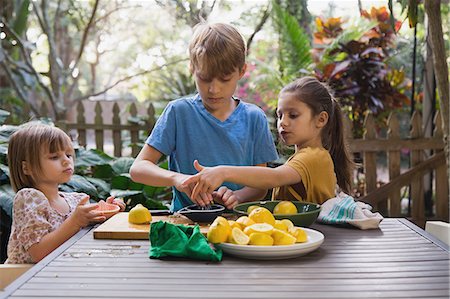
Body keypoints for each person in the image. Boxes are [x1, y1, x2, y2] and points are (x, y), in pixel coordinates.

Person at [130, 22, 278, 211]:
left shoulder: (254, 118)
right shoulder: (178, 112)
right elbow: (138, 168)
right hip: (185, 225)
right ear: (192, 69)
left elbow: (261, 183)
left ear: (241, 71)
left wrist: (237, 196)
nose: (213, 89)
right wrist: (178, 179)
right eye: (205, 78)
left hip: (239, 227)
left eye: (224, 79)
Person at [183, 76, 354, 204]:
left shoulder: (314, 157)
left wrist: (222, 172)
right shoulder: (304, 157)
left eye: (293, 115)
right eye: (280, 115)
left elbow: (274, 177)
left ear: (321, 120)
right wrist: (235, 196)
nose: (283, 122)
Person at [6, 123, 125, 264]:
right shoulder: (29, 198)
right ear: (27, 168)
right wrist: (75, 221)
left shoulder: (76, 199)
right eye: (54, 157)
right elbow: (38, 253)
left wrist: (108, 213)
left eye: (68, 154)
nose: (66, 161)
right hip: (22, 280)